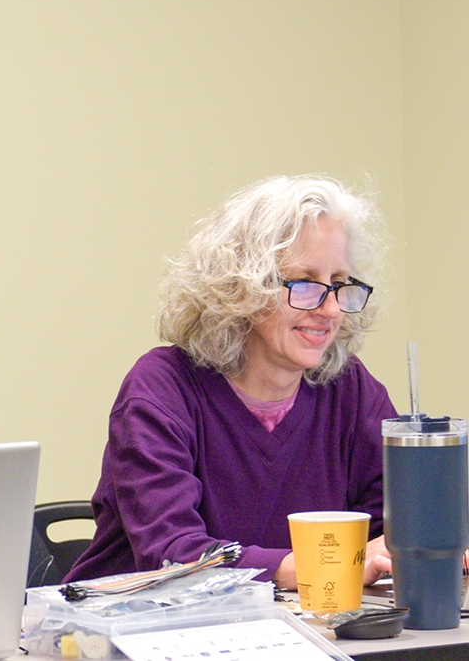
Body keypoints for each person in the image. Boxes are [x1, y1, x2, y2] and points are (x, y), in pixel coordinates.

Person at [65, 176, 396, 590]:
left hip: (296, 633)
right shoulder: (162, 389)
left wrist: (431, 543)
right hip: (127, 636)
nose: (330, 309)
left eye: (340, 285)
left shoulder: (351, 390)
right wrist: (317, 567)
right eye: (306, 284)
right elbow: (174, 554)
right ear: (243, 287)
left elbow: (399, 524)